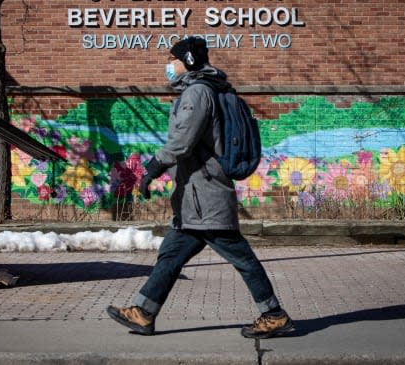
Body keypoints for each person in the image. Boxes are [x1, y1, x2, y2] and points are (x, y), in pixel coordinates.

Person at [106, 37, 292, 338]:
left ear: (188, 61)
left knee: (242, 258)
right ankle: (143, 312)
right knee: (170, 255)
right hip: (194, 198)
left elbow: (182, 141)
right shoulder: (204, 90)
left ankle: (274, 314)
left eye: (174, 59)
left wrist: (153, 168)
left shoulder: (197, 92)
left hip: (206, 195)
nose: (170, 65)